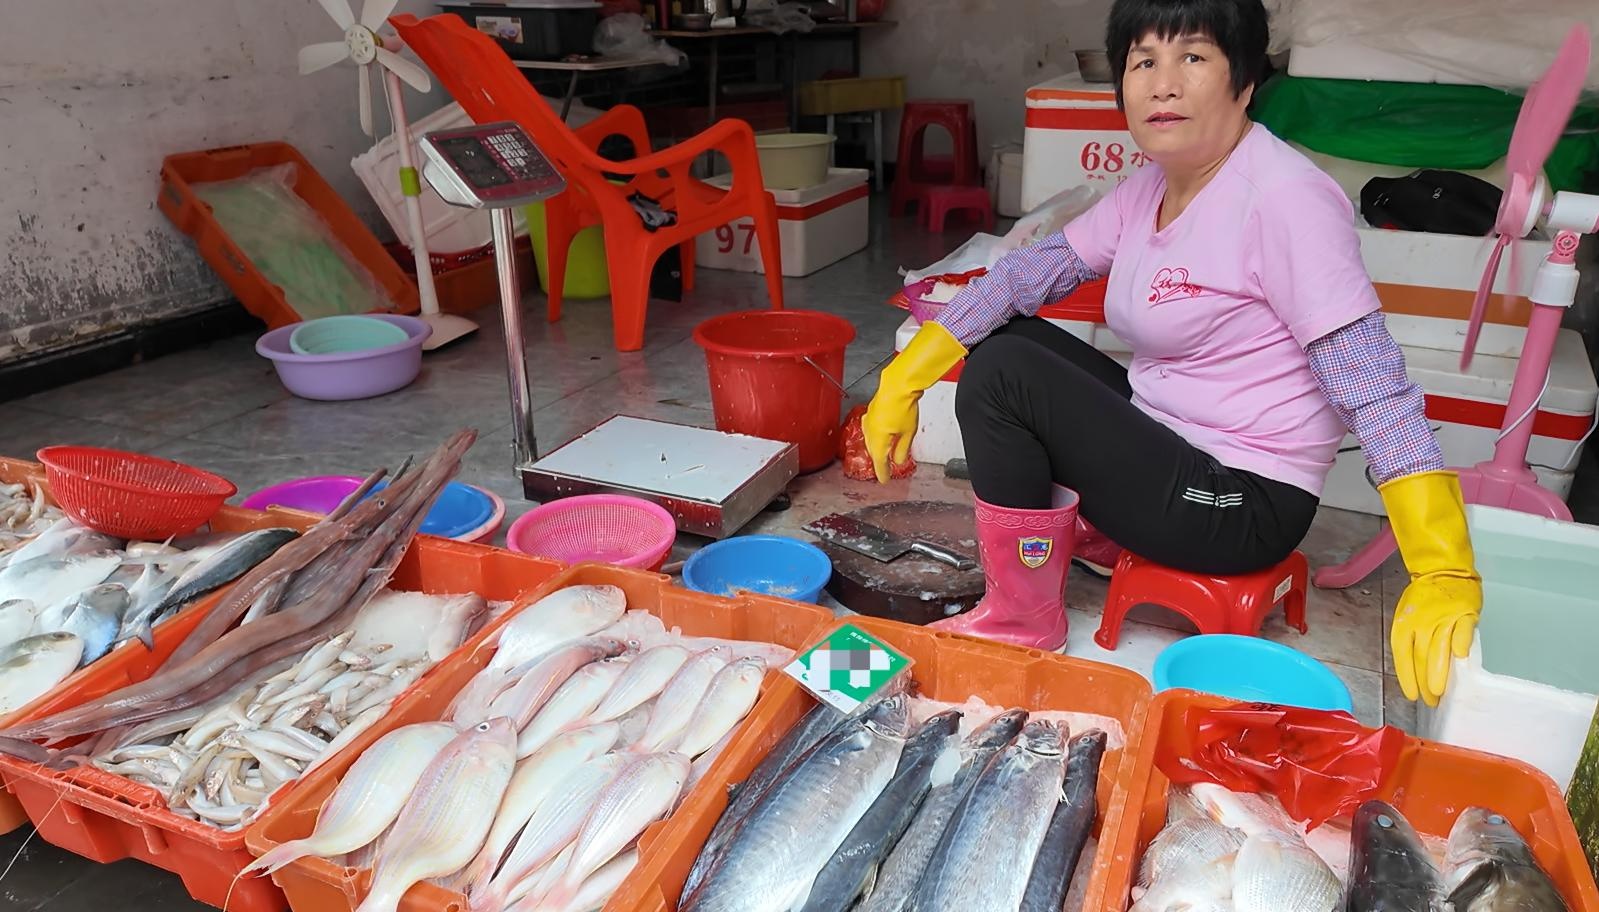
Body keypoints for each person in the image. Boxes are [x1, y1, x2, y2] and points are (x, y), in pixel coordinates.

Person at [863, 0, 1482, 706]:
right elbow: (1027, 273)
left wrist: (1439, 566)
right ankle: (1090, 539)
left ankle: (1021, 619)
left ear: (1244, 80)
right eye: (1142, 61)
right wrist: (903, 378)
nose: (1162, 83)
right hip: (1171, 444)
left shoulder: (1284, 199)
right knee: (1011, 341)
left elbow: (1369, 381)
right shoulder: (1153, 186)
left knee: (1007, 374)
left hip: (1240, 501)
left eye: (1191, 57)